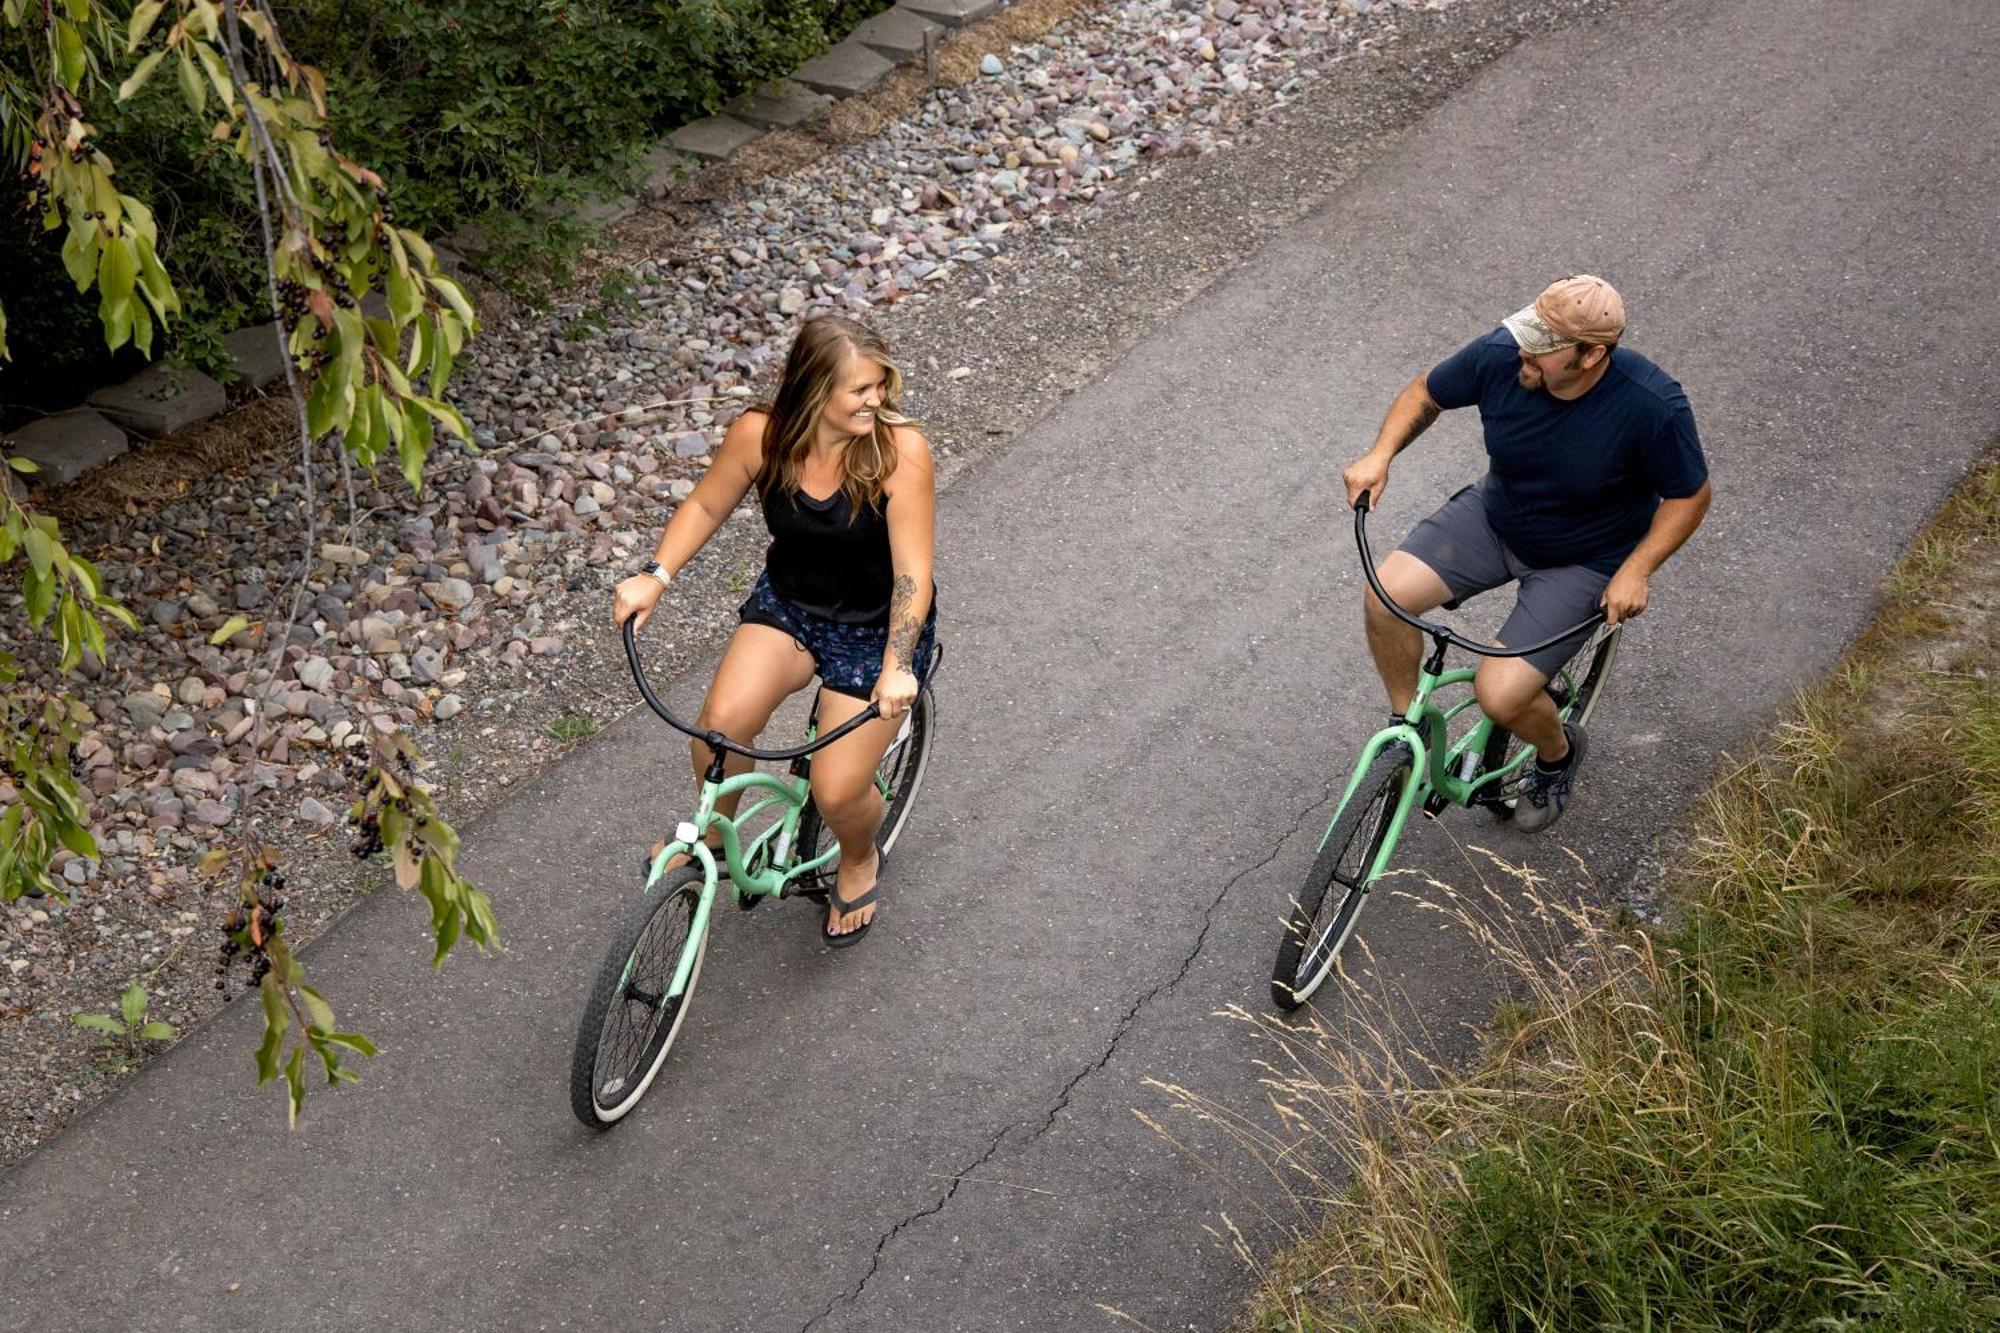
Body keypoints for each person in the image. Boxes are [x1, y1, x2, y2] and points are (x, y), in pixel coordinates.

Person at [1341, 275, 1711, 831]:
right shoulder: (1503, 355)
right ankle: (1406, 726)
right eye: (1527, 333)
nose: (1523, 352)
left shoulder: (1651, 406)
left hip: (1585, 559)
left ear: (1590, 355)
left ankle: (1557, 755)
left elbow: (1689, 494)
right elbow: (1426, 392)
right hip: (1497, 518)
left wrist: (1637, 569)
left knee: (1501, 696)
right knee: (1385, 595)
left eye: (1542, 346)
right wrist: (1381, 454)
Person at [613, 314, 937, 945]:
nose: (878, 400)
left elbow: (912, 577)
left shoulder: (900, 453)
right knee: (719, 730)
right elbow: (707, 503)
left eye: (881, 385)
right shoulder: (762, 435)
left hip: (876, 630)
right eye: (860, 390)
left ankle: (858, 856)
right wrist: (656, 574)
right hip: (790, 608)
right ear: (815, 391)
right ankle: (708, 844)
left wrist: (898, 664)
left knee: (838, 789)